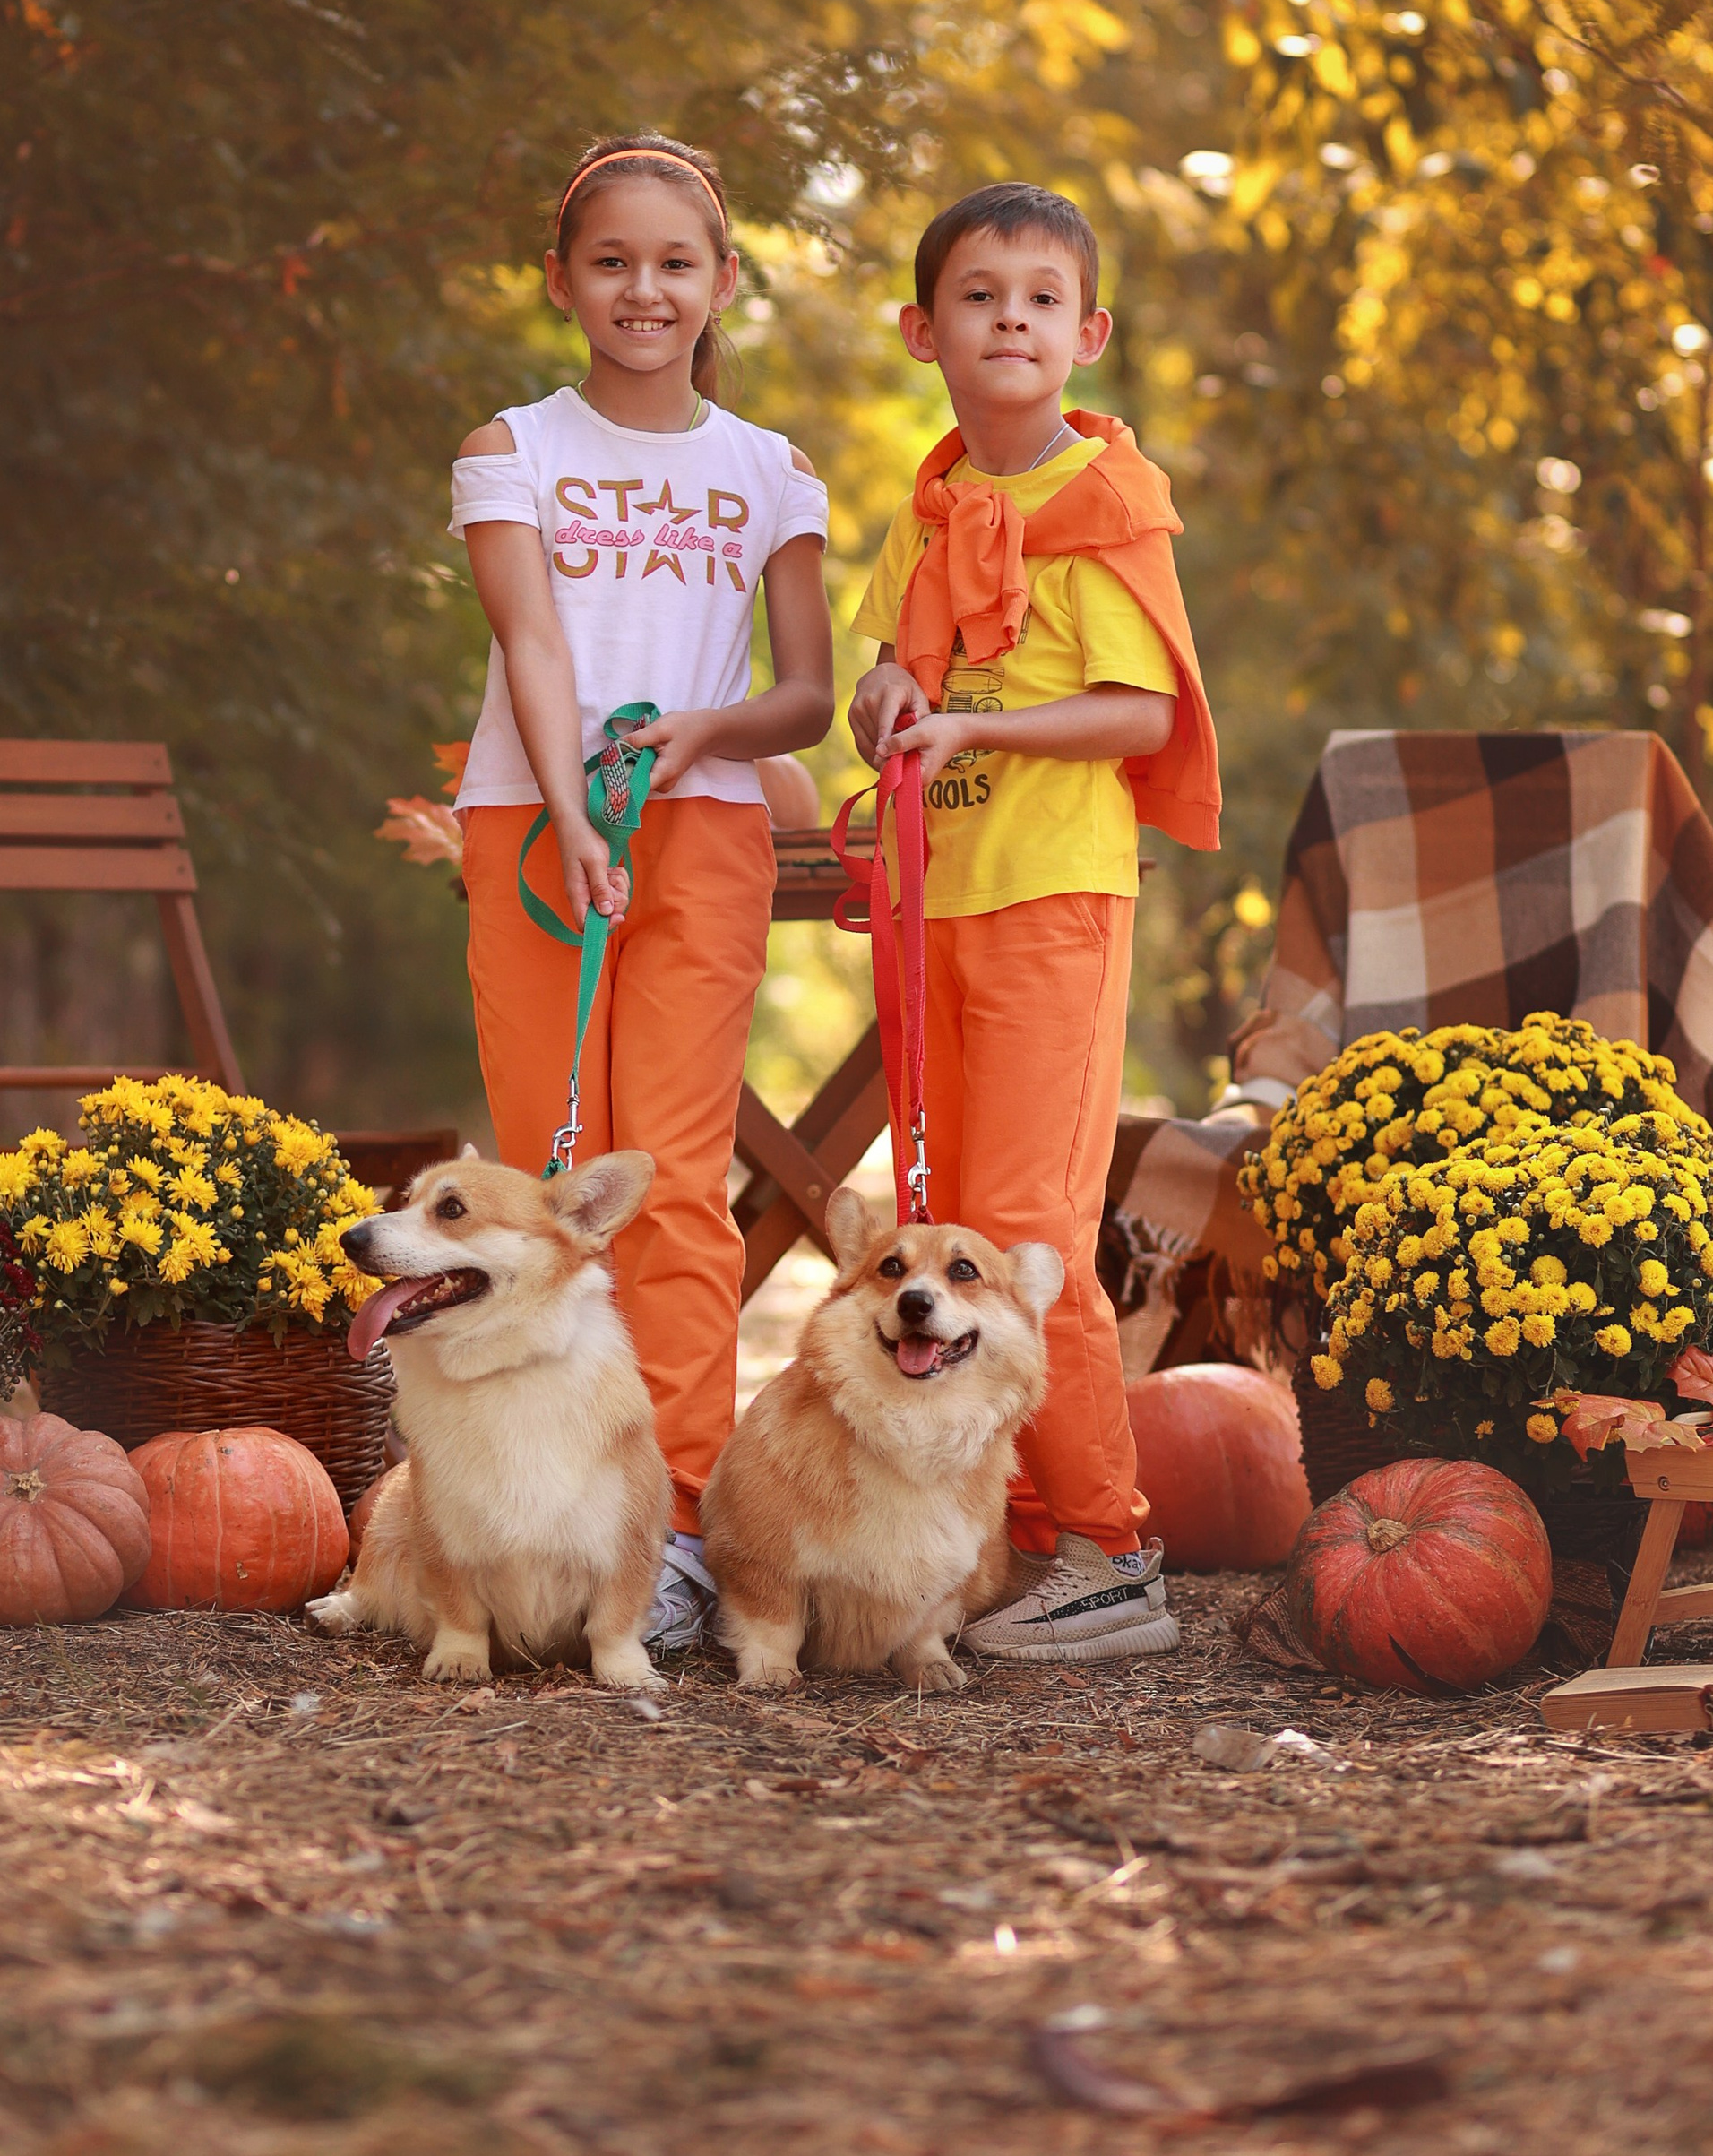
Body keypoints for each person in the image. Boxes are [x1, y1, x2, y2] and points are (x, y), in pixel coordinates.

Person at [450, 135, 834, 1655]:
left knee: (670, 1189)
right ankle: (517, 1511)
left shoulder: (770, 470)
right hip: (536, 826)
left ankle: (661, 1529)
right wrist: (571, 811)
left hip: (710, 833)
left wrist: (700, 737)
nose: (644, 289)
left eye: (676, 263)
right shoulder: (512, 446)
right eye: (612, 261)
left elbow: (801, 694)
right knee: (544, 1188)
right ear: (563, 281)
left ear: (722, 282)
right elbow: (535, 646)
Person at [847, 181, 1221, 1663]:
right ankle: (997, 1528)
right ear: (923, 328)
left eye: (1040, 298)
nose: (1010, 318)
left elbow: (1138, 709)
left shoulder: (1105, 511)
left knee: (1025, 1235)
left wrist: (977, 739)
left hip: (1053, 894)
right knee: (938, 1221)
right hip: (936, 893)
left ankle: (1109, 1547)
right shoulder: (934, 504)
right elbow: (895, 671)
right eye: (979, 295)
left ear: (1087, 332)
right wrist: (891, 697)